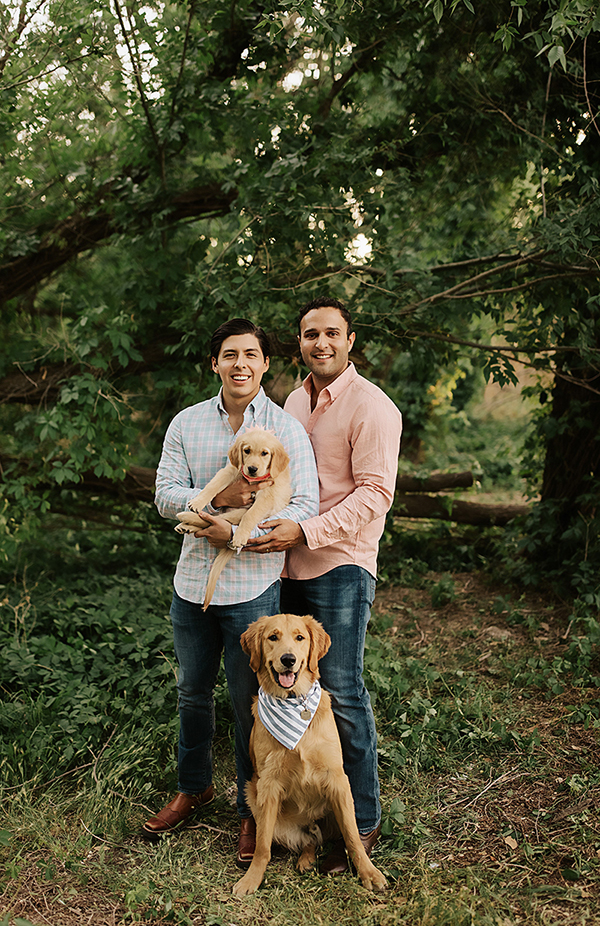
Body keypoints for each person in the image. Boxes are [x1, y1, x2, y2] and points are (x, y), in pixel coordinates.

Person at [142, 318, 319, 869]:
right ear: (214, 363)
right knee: (192, 694)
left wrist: (245, 532)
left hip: (253, 589)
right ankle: (192, 788)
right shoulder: (187, 423)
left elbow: (303, 504)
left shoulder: (286, 428)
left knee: (254, 704)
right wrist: (216, 508)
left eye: (251, 354)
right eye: (228, 354)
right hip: (192, 585)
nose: (240, 363)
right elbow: (165, 495)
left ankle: (252, 808)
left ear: (266, 363)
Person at [246, 296, 402, 874]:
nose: (321, 343)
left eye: (332, 333)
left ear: (350, 340)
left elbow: (374, 494)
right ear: (301, 343)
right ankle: (292, 811)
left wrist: (306, 531)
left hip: (341, 563)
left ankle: (360, 822)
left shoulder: (373, 408)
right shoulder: (293, 401)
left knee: (343, 688)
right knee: (290, 684)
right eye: (311, 334)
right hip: (290, 562)